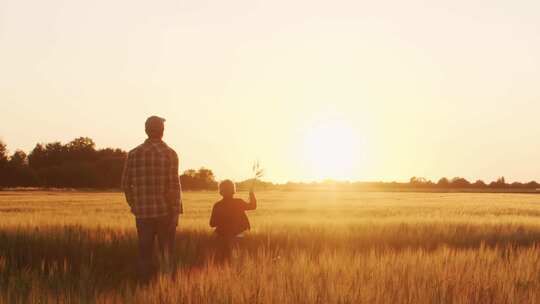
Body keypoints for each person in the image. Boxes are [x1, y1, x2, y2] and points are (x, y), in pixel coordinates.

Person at [121, 116, 182, 282]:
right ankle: (168, 287)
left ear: (146, 130)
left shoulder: (134, 154)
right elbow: (174, 185)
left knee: (144, 252)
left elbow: (126, 185)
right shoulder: (170, 154)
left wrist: (135, 205)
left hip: (143, 214)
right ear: (163, 131)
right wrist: (176, 212)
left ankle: (143, 285)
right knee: (166, 252)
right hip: (165, 213)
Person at [209, 180, 256, 262]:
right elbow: (253, 206)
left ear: (221, 191)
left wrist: (223, 220)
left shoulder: (217, 205)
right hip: (239, 234)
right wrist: (251, 193)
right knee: (239, 257)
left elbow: (212, 224)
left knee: (221, 258)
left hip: (222, 236)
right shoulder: (238, 202)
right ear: (233, 191)